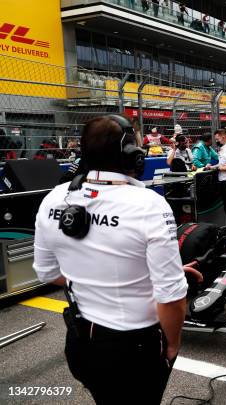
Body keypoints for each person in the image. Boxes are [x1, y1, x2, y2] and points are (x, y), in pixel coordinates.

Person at [33, 115, 188, 404]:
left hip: (81, 345)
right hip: (134, 350)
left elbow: (46, 272)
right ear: (131, 154)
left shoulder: (54, 199)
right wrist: (173, 345)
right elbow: (171, 296)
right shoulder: (149, 205)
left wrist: (98, 276)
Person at [205, 128, 226, 234]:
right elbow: (223, 164)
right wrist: (212, 167)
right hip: (225, 181)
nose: (216, 141)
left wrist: (218, 168)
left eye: (217, 138)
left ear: (223, 136)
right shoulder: (224, 148)